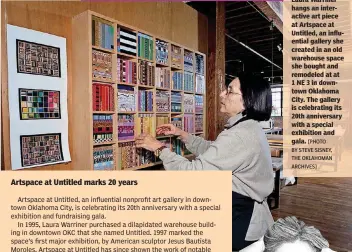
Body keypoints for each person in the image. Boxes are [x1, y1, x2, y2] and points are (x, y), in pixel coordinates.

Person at [136, 72, 274, 251]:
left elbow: (193, 173)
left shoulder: (240, 135)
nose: (222, 94)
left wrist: (158, 148)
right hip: (241, 212)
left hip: (240, 218)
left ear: (246, 101)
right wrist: (182, 134)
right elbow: (217, 152)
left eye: (229, 91)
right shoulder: (248, 127)